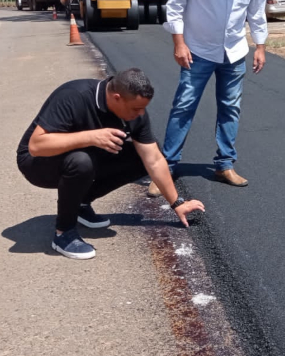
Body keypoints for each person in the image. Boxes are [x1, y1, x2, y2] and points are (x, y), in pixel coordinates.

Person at [16, 68, 205, 260]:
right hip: (37, 164)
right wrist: (91, 137)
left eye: (143, 108)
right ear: (117, 97)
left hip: (79, 155)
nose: (140, 114)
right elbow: (36, 146)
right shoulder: (74, 96)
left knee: (139, 158)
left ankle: (80, 203)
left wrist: (177, 203)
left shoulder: (136, 113)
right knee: (81, 162)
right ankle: (63, 233)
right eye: (135, 109)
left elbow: (154, 160)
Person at [148, 0, 268, 197]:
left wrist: (260, 45)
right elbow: (176, 4)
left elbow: (256, 10)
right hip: (197, 49)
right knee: (184, 105)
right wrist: (178, 43)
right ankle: (166, 167)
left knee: (230, 107)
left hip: (235, 50)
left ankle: (224, 165)